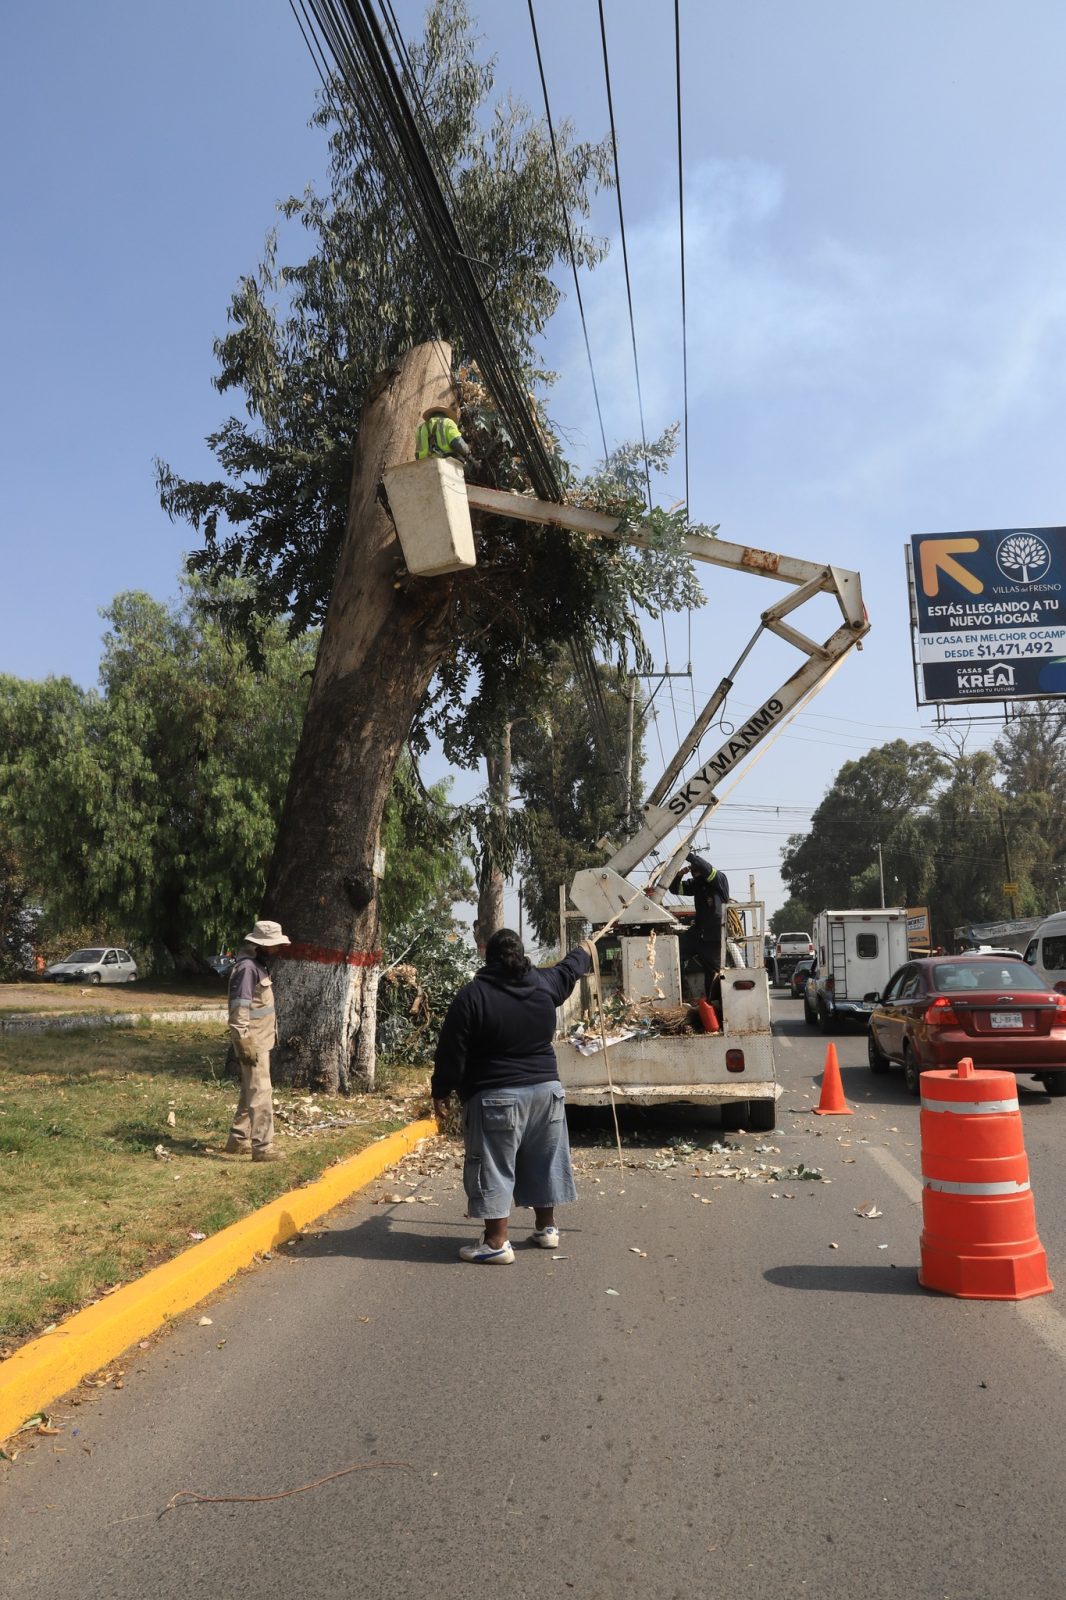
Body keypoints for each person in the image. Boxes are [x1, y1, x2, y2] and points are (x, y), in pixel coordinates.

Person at [431, 928, 593, 1264]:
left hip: (496, 1097)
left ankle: (495, 1243)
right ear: (521, 954)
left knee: (494, 1166)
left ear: (488, 957)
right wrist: (586, 949)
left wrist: (441, 1091)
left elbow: (452, 1050)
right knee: (543, 1159)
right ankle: (547, 1229)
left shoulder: (473, 995)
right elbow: (569, 968)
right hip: (547, 1094)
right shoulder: (544, 983)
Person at [225, 918, 291, 1163]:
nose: (278, 949)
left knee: (249, 1089)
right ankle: (263, 1147)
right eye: (274, 945)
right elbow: (239, 1008)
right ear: (261, 945)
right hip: (252, 1040)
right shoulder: (247, 969)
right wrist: (242, 1040)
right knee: (261, 1091)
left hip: (261, 1039)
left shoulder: (259, 965)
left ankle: (238, 1139)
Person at [669, 851, 730, 998]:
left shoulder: (718, 880)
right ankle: (684, 993)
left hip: (713, 937)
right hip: (697, 934)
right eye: (692, 869)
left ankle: (712, 1003)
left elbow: (708, 870)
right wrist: (679, 875)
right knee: (673, 952)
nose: (693, 871)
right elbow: (674, 889)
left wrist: (688, 855)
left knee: (713, 974)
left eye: (696, 868)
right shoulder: (697, 885)